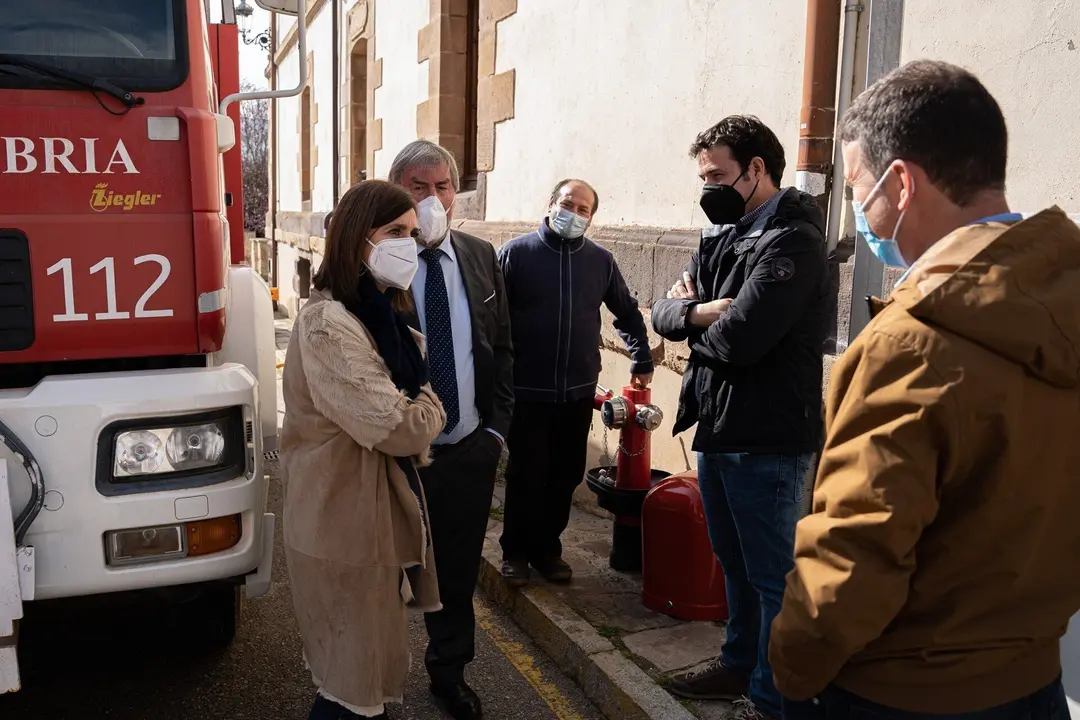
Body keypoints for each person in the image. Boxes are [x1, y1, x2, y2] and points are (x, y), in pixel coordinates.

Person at [771, 59, 1080, 720]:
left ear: (902, 182)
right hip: (1035, 680)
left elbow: (851, 562)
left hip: (899, 693)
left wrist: (791, 668)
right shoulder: (1061, 304)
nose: (860, 211)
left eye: (857, 187)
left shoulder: (912, 342)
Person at [651, 116, 830, 720]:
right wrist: (699, 313)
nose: (708, 189)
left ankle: (773, 698)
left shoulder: (794, 239)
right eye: (703, 176)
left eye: (718, 176)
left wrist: (692, 317)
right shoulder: (724, 236)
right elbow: (663, 312)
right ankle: (738, 663)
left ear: (757, 169)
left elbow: (742, 341)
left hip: (771, 436)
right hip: (720, 425)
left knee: (774, 575)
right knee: (732, 559)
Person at [279, 180, 446, 720]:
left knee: (361, 677)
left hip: (367, 524)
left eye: (413, 235)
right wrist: (428, 404)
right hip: (340, 526)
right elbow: (401, 427)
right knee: (352, 690)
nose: (408, 245)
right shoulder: (329, 323)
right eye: (394, 231)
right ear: (358, 237)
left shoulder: (383, 320)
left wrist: (419, 400)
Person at [389, 139, 514, 720]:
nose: (434, 198)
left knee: (457, 571)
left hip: (466, 449)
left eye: (443, 186)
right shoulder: (380, 260)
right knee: (383, 571)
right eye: (420, 187)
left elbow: (503, 350)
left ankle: (449, 671)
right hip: (394, 457)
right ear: (399, 193)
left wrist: (495, 435)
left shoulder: (481, 256)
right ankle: (372, 677)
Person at [497, 178, 654, 586]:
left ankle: (547, 550)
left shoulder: (600, 261)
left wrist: (641, 355)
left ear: (591, 218)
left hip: (578, 391)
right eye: (569, 204)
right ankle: (514, 552)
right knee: (527, 474)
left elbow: (626, 311)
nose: (575, 213)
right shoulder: (515, 254)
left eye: (584, 209)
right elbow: (490, 321)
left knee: (565, 475)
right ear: (552, 204)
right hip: (526, 391)